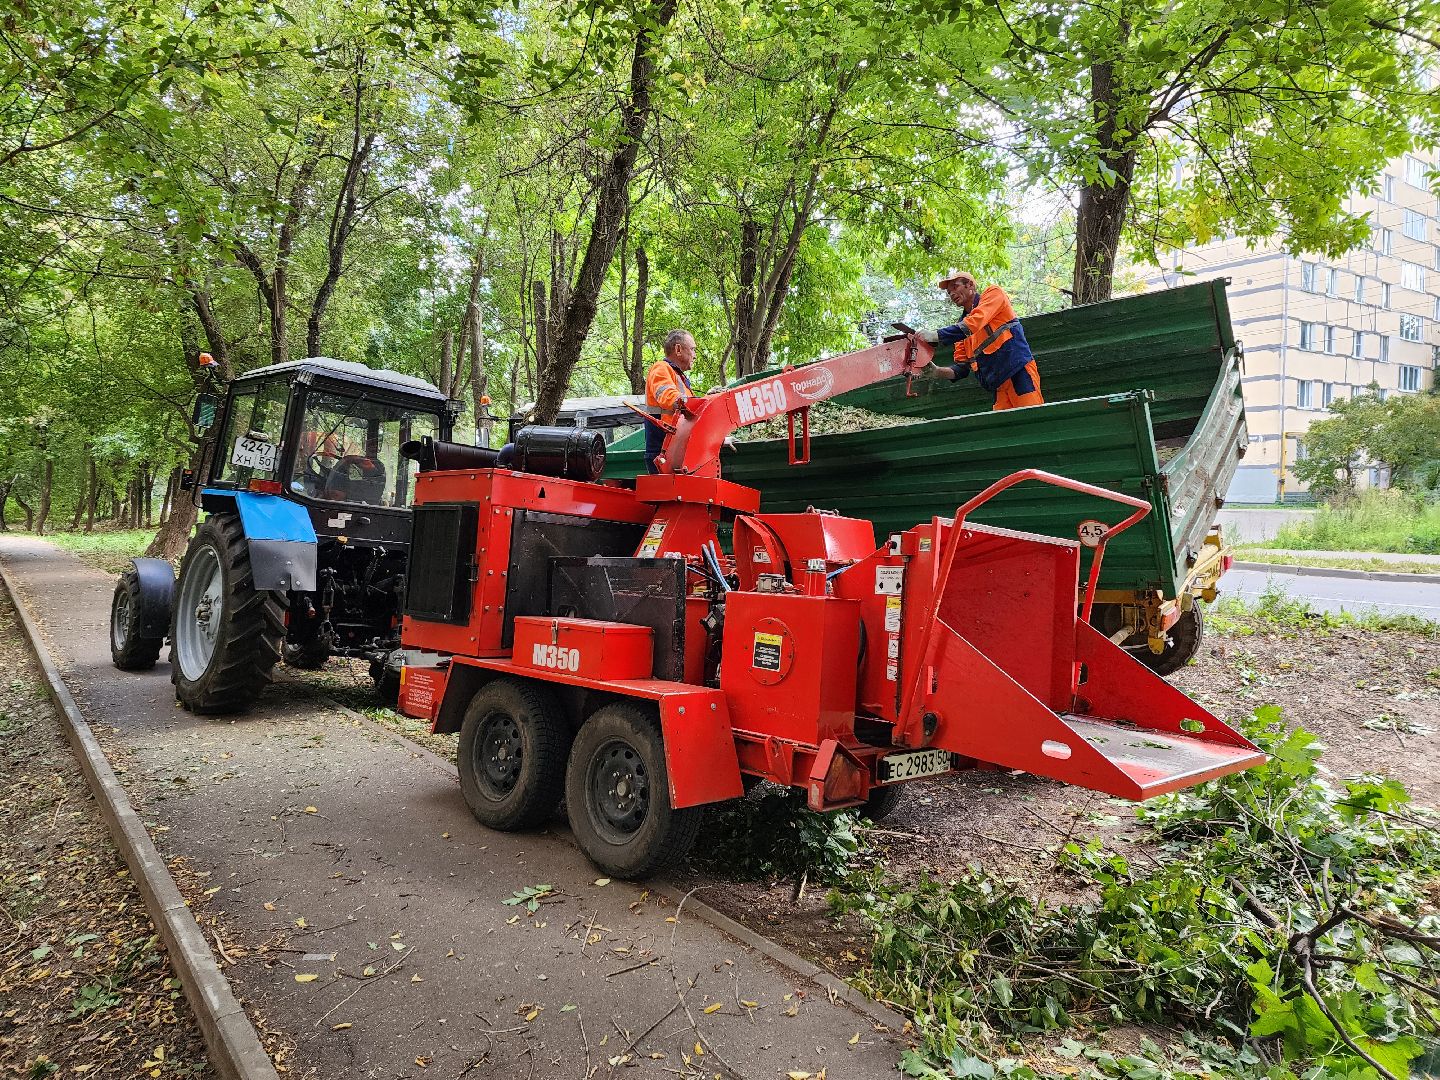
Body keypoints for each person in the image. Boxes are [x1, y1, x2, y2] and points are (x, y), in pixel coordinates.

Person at [919, 271, 1043, 411]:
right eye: (949, 292)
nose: (952, 294)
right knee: (1007, 430)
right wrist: (937, 371)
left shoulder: (993, 294)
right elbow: (962, 369)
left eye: (955, 287)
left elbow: (975, 322)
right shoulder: (961, 330)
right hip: (998, 385)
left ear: (970, 284)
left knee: (1032, 419)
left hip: (1019, 373)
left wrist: (936, 335)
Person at [644, 329, 696, 473]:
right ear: (678, 349)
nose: (695, 355)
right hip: (662, 453)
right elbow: (668, 397)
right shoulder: (661, 368)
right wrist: (694, 402)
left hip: (672, 451)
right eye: (692, 349)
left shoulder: (678, 376)